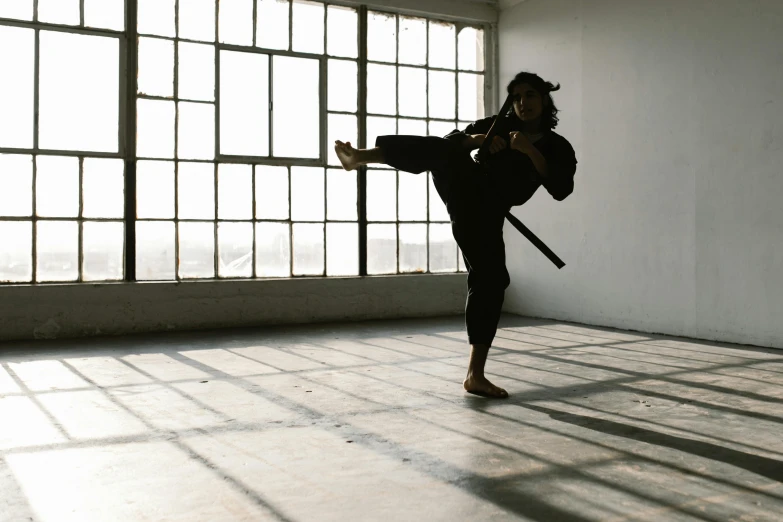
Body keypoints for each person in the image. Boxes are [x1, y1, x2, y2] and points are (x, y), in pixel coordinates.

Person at [334, 71, 578, 398]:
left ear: (544, 99)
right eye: (517, 97)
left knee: (491, 279)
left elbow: (561, 188)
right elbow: (450, 143)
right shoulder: (498, 123)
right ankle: (361, 157)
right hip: (463, 186)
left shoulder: (558, 147)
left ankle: (475, 375)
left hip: (487, 211)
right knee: (444, 151)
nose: (523, 103)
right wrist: (476, 141)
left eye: (530, 95)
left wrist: (528, 151)